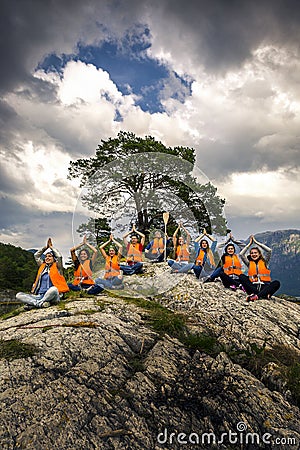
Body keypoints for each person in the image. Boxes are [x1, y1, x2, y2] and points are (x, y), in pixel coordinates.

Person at [16, 238, 69, 309]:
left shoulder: (58, 267)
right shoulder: (42, 266)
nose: (47, 258)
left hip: (53, 295)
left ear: (54, 259)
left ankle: (33, 304)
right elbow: (36, 255)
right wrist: (45, 247)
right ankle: (40, 303)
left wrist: (51, 247)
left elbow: (59, 256)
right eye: (46, 256)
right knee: (18, 295)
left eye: (50, 256)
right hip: (40, 295)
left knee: (53, 289)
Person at [239, 235, 280, 301]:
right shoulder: (249, 263)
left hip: (264, 286)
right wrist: (249, 244)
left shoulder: (265, 262)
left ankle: (257, 296)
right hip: (253, 286)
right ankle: (264, 295)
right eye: (252, 253)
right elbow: (241, 254)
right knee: (241, 276)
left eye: (255, 253)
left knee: (277, 283)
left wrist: (256, 242)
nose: (253, 254)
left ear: (259, 254)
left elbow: (269, 251)